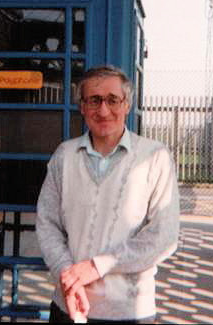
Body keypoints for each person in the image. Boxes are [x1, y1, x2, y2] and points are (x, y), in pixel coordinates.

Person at [36, 65, 180, 323]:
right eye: (94, 100)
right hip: (69, 306)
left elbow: (163, 236)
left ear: (127, 104)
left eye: (113, 100)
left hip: (130, 311)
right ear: (82, 107)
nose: (103, 110)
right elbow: (47, 223)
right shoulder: (64, 156)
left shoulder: (155, 156)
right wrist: (69, 278)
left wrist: (95, 267)